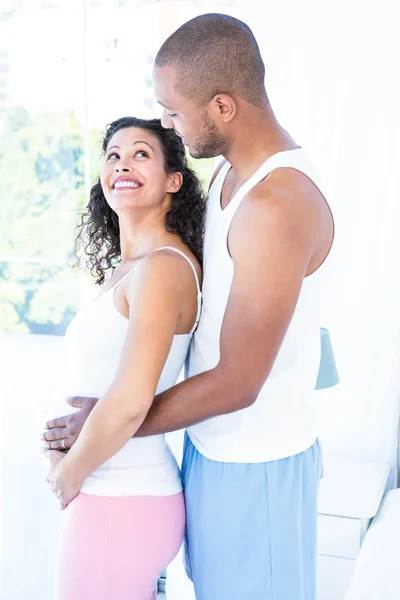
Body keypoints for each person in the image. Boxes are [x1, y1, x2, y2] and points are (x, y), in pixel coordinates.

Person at [42, 14, 335, 600]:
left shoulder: (278, 203)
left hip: (259, 467)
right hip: (207, 454)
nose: (168, 122)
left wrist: (107, 422)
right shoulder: (232, 175)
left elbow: (239, 381)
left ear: (222, 107)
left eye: (173, 111)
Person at [43, 115, 205, 600]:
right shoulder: (132, 268)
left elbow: (133, 400)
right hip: (113, 499)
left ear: (174, 181)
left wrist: (65, 476)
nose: (122, 164)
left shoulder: (162, 269)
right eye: (113, 155)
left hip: (119, 498)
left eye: (141, 153)